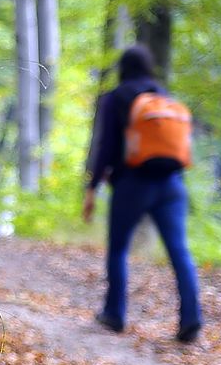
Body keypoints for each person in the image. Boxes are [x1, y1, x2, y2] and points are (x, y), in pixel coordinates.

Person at [83, 45, 203, 343]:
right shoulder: (164, 97)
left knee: (119, 249)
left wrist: (92, 186)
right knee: (180, 251)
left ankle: (115, 314)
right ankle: (191, 319)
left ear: (122, 68)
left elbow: (107, 146)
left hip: (133, 183)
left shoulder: (117, 98)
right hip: (172, 183)